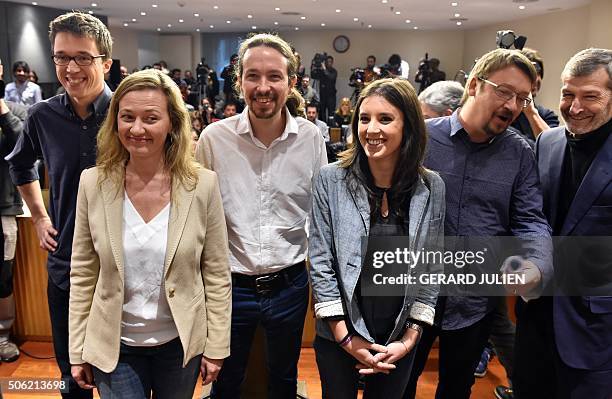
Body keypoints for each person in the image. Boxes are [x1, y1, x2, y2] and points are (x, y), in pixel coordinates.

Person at [68, 69, 231, 398]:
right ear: (115, 122)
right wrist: (77, 349)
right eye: (127, 117)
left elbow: (216, 272)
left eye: (151, 118)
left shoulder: (202, 185)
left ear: (171, 122)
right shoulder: (93, 183)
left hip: (180, 347)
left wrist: (216, 346)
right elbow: (84, 272)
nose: (137, 129)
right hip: (115, 347)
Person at [403, 48, 552, 399]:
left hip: (475, 300)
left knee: (457, 388)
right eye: (504, 91)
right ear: (473, 85)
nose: (513, 105)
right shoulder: (421, 137)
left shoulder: (520, 153)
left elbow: (531, 219)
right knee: (398, 384)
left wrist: (535, 263)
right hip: (410, 295)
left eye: (523, 98)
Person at [196, 33, 327, 399]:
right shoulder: (213, 139)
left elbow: (319, 218)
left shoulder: (312, 139)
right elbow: (198, 220)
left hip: (290, 284)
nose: (263, 87)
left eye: (274, 76)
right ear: (239, 81)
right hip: (229, 287)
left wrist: (321, 287)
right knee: (226, 381)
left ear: (292, 82)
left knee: (283, 378)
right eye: (253, 76)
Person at [309, 78, 445, 399]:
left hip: (398, 336)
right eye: (364, 118)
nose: (371, 129)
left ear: (408, 125)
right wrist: (346, 338)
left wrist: (409, 339)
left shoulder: (432, 186)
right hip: (338, 333)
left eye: (385, 119)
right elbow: (320, 261)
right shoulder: (330, 179)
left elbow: (431, 265)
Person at [6, 11, 113, 398]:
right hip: (66, 265)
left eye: (83, 56)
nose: (71, 68)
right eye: (61, 57)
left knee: (123, 378)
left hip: (125, 269)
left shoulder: (128, 114)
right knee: (73, 377)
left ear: (105, 62)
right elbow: (20, 164)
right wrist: (38, 217)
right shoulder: (42, 115)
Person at [513, 47, 612, 399]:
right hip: (535, 320)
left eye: (590, 96)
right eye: (568, 94)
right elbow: (532, 218)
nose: (575, 107)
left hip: (597, 328)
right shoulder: (547, 142)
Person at [0, 68, 27, 363]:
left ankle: (2, 336)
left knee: (2, 278)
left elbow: (21, 145)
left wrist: (2, 109)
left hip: (3, 208)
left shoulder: (16, 110)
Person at [510, 47, 560, 146]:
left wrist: (531, 112)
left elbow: (552, 148)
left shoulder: (546, 116)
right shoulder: (504, 109)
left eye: (539, 74)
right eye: (530, 75)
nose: (536, 80)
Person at [318, 55, 338, 122]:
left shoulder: (334, 71)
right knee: (322, 112)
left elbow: (331, 78)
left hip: (331, 95)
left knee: (331, 112)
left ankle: (331, 126)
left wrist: (324, 69)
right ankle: (323, 126)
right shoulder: (322, 70)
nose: (329, 63)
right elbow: (313, 75)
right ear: (325, 62)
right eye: (327, 61)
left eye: (330, 62)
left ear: (332, 62)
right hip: (323, 95)